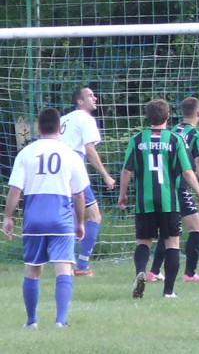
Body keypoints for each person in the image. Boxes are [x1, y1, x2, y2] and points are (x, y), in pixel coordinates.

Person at [3, 108, 89, 328]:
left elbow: (15, 189)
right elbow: (79, 194)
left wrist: (8, 217)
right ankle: (60, 321)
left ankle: (32, 321)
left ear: (38, 128)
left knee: (33, 269)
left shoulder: (26, 153)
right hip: (61, 218)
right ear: (60, 128)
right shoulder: (71, 154)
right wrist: (80, 222)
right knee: (63, 268)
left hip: (34, 219)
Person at [118, 99, 199, 298]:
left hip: (144, 201)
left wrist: (122, 194)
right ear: (168, 116)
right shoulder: (175, 139)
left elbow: (126, 171)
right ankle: (168, 291)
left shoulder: (137, 140)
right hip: (169, 201)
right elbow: (187, 171)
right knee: (172, 243)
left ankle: (141, 272)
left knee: (143, 241)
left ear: (147, 117)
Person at [146, 97, 199, 283]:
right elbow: (197, 163)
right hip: (180, 187)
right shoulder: (196, 135)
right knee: (197, 229)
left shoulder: (173, 130)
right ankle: (189, 274)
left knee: (170, 231)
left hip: (165, 186)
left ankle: (154, 272)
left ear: (181, 113)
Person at [59, 87, 116, 276]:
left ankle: (65, 260)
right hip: (73, 167)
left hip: (57, 169)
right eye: (90, 95)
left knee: (69, 216)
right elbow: (89, 150)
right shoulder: (86, 118)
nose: (95, 98)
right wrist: (106, 175)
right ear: (80, 101)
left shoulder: (64, 119)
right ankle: (81, 266)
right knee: (94, 216)